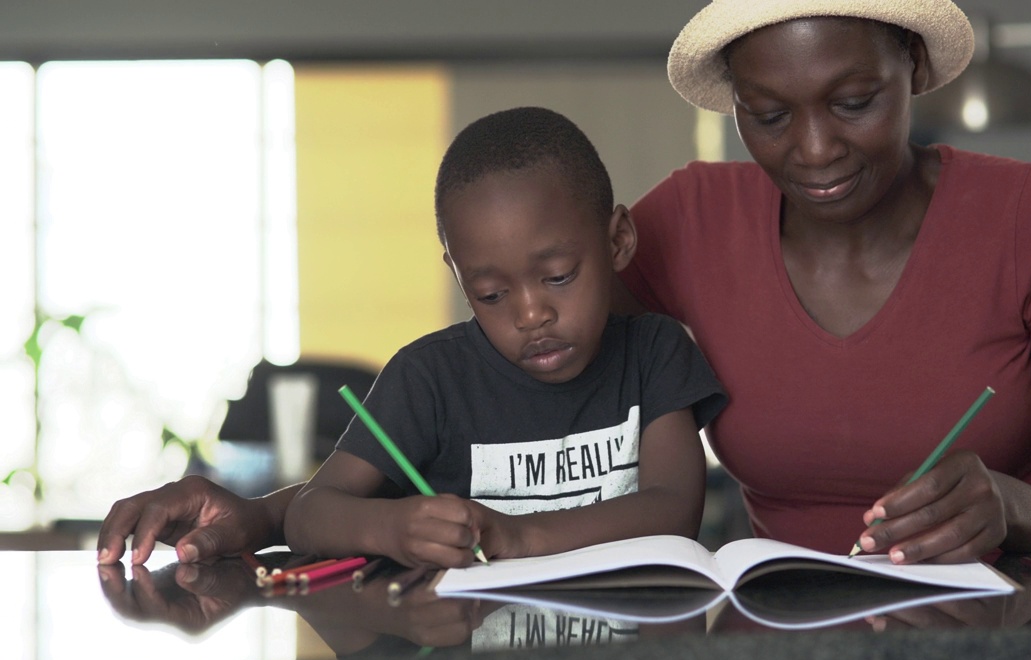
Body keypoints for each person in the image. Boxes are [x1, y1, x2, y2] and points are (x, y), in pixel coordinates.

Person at [100, 0, 1031, 567]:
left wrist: (1002, 504)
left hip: (1008, 627)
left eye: (856, 100)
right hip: (772, 628)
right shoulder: (683, 223)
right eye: (769, 116)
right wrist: (262, 513)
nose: (815, 148)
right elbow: (507, 393)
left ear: (913, 65)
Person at [99, 107, 725, 568]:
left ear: (617, 240)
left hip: (635, 657)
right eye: (491, 294)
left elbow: (673, 508)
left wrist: (515, 536)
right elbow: (313, 511)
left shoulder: (655, 352)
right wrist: (388, 528)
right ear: (456, 273)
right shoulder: (430, 378)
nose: (532, 313)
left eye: (558, 276)